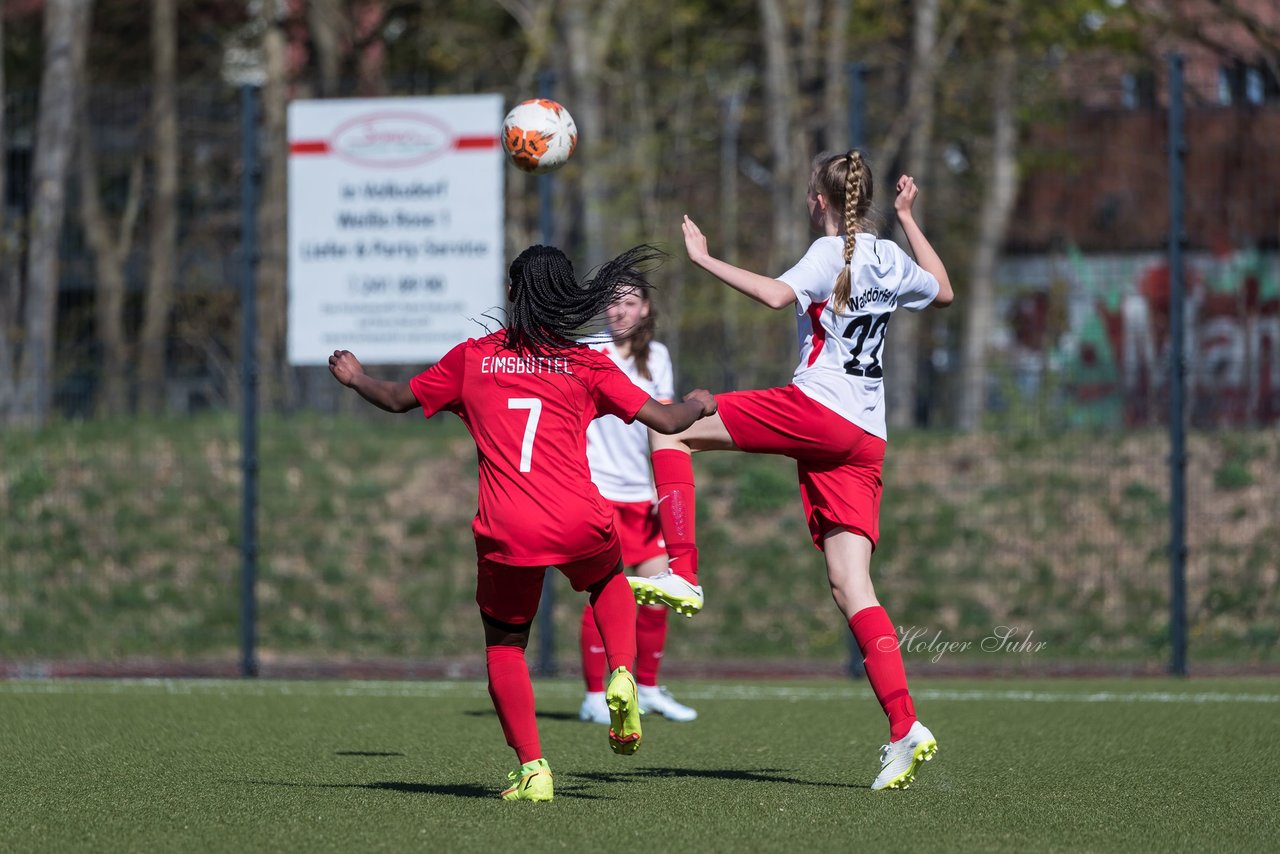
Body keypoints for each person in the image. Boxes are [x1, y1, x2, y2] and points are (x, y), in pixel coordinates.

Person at [328, 244, 716, 803]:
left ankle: (534, 770)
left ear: (512, 294)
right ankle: (624, 671)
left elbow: (395, 399)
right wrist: (699, 403)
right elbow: (664, 418)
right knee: (608, 580)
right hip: (580, 516)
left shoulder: (474, 358)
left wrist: (357, 377)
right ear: (565, 296)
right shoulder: (587, 362)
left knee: (506, 648)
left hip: (508, 526)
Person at [630, 150, 954, 791]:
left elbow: (778, 296)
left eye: (812, 196)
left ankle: (685, 572)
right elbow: (943, 291)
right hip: (865, 437)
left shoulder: (830, 251)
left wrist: (702, 259)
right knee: (851, 587)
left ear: (820, 199)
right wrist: (910, 219)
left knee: (673, 429)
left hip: (821, 410)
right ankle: (904, 727)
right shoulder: (888, 253)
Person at [577, 287, 698, 726]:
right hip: (599, 491)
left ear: (645, 307)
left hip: (641, 495)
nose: (620, 309)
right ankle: (593, 694)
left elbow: (661, 427)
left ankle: (647, 687)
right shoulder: (589, 350)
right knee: (604, 596)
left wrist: (655, 489)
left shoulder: (658, 356)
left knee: (656, 596)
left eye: (629, 301)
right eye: (613, 301)